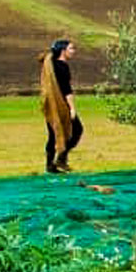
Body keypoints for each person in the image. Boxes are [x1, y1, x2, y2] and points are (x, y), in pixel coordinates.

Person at [38, 38, 83, 174]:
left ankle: (50, 165)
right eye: (71, 49)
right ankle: (61, 158)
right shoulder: (62, 66)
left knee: (53, 134)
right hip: (61, 105)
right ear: (63, 51)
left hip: (50, 105)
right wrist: (72, 108)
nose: (73, 51)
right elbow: (66, 89)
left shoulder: (50, 64)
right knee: (77, 130)